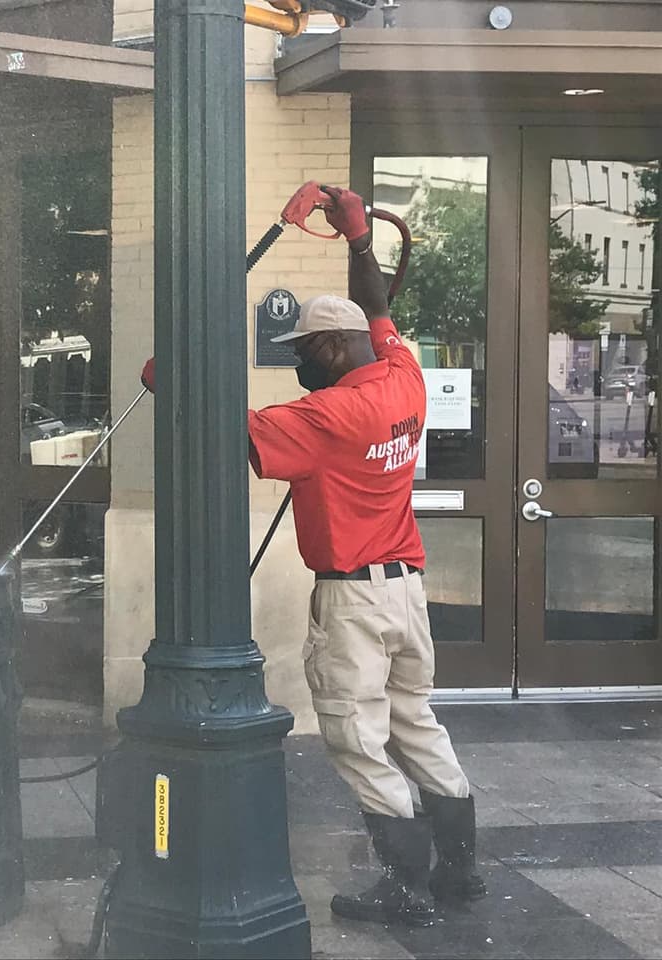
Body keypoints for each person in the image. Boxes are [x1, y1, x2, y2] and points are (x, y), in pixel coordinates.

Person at [245, 187, 487, 926]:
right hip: (406, 591)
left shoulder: (330, 413)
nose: (299, 367)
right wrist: (358, 242)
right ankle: (459, 874)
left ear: (329, 349)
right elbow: (378, 311)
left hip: (353, 600)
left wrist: (177, 383)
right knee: (416, 722)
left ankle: (405, 886)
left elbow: (237, 432)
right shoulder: (401, 375)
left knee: (356, 733)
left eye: (304, 354)